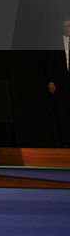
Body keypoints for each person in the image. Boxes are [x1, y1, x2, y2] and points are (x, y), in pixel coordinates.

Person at [45, 17, 70, 145]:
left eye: (69, 26)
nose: (67, 28)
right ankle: (66, 141)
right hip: (61, 81)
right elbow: (50, 62)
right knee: (63, 111)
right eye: (65, 26)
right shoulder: (56, 42)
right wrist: (50, 81)